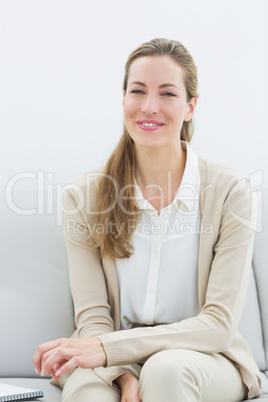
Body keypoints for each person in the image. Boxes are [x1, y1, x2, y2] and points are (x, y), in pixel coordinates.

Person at [33, 38, 262, 402]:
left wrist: (109, 349)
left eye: (167, 94)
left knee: (166, 371)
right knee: (90, 395)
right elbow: (93, 317)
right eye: (138, 91)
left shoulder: (231, 193)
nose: (149, 107)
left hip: (204, 356)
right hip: (104, 356)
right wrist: (122, 374)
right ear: (123, 99)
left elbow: (217, 326)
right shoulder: (84, 197)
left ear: (190, 107)